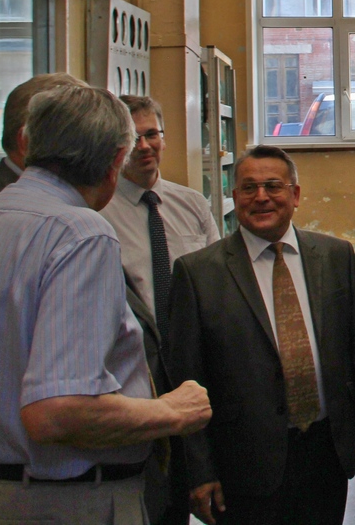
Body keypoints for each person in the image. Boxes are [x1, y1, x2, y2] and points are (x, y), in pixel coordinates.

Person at [0, 83, 212, 524]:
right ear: (117, 160)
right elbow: (57, 415)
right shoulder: (82, 233)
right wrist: (171, 411)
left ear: (29, 143)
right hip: (57, 503)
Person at [169, 145, 355, 525]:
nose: (261, 197)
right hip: (243, 463)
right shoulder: (198, 273)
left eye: (273, 186)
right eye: (249, 188)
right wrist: (199, 470)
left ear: (295, 194)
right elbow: (187, 377)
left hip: (325, 453)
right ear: (235, 196)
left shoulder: (335, 257)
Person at [100, 95, 220, 524]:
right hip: (136, 376)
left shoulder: (193, 204)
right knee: (151, 496)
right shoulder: (99, 214)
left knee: (196, 485)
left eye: (152, 134)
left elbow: (218, 282)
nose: (145, 146)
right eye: (134, 138)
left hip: (193, 368)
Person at [0, 71, 84, 218]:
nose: (87, 151)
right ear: (26, 142)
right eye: (75, 137)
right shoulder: (11, 214)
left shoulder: (24, 200)